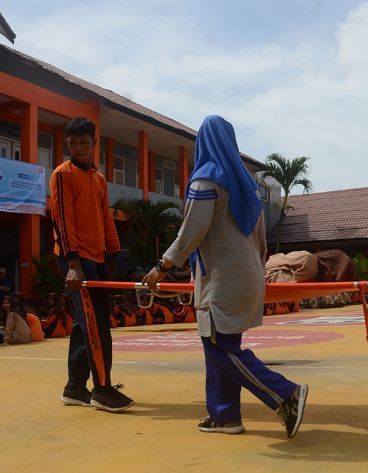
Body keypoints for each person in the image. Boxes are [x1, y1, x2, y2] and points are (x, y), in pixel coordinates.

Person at [143, 115, 308, 437]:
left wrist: (163, 265)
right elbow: (261, 244)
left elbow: (192, 231)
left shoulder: (206, 180)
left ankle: (285, 393)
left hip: (221, 279)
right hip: (247, 276)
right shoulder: (247, 184)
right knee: (223, 345)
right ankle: (225, 415)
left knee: (218, 348)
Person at [50, 117, 134, 412]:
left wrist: (114, 252)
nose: (79, 148)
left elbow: (105, 219)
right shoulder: (63, 174)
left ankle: (74, 388)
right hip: (75, 258)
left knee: (85, 322)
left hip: (96, 257)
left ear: (93, 144)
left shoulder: (98, 179)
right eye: (73, 143)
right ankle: (102, 388)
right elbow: (62, 220)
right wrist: (73, 262)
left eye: (84, 142)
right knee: (95, 324)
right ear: (67, 145)